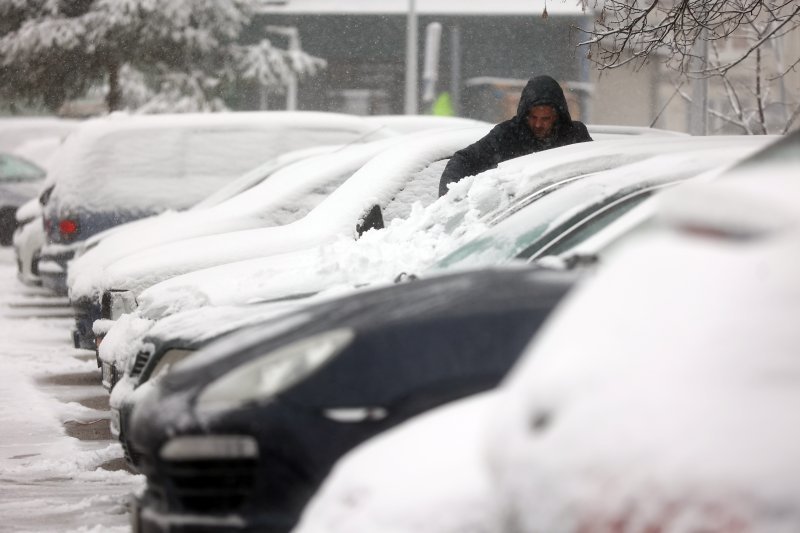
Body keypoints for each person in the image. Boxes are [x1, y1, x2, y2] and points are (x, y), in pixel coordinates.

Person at [438, 75, 593, 196]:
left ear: (557, 116)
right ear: (525, 114)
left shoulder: (575, 135)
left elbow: (596, 171)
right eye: (533, 117)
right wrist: (449, 197)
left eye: (545, 119)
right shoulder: (506, 135)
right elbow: (464, 159)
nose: (538, 124)